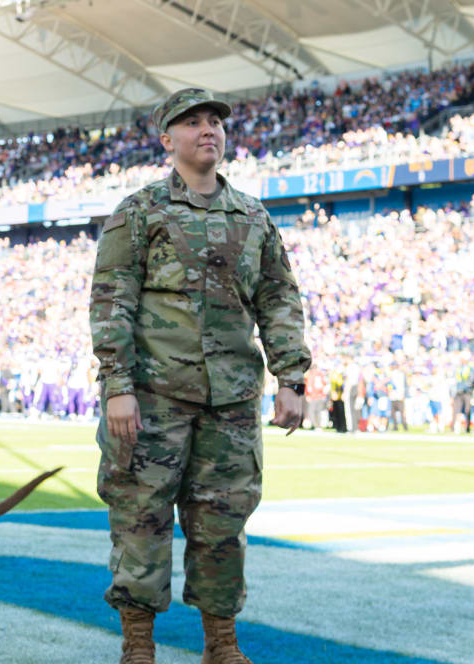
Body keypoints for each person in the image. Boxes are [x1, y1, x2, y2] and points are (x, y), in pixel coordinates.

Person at [91, 88, 310, 664]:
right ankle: (139, 646)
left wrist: (292, 378)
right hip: (153, 398)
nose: (207, 129)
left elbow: (279, 298)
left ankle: (221, 644)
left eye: (214, 121)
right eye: (192, 123)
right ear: (168, 140)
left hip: (232, 401)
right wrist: (118, 386)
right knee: (140, 519)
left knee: (224, 526)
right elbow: (111, 300)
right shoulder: (140, 212)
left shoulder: (254, 216)